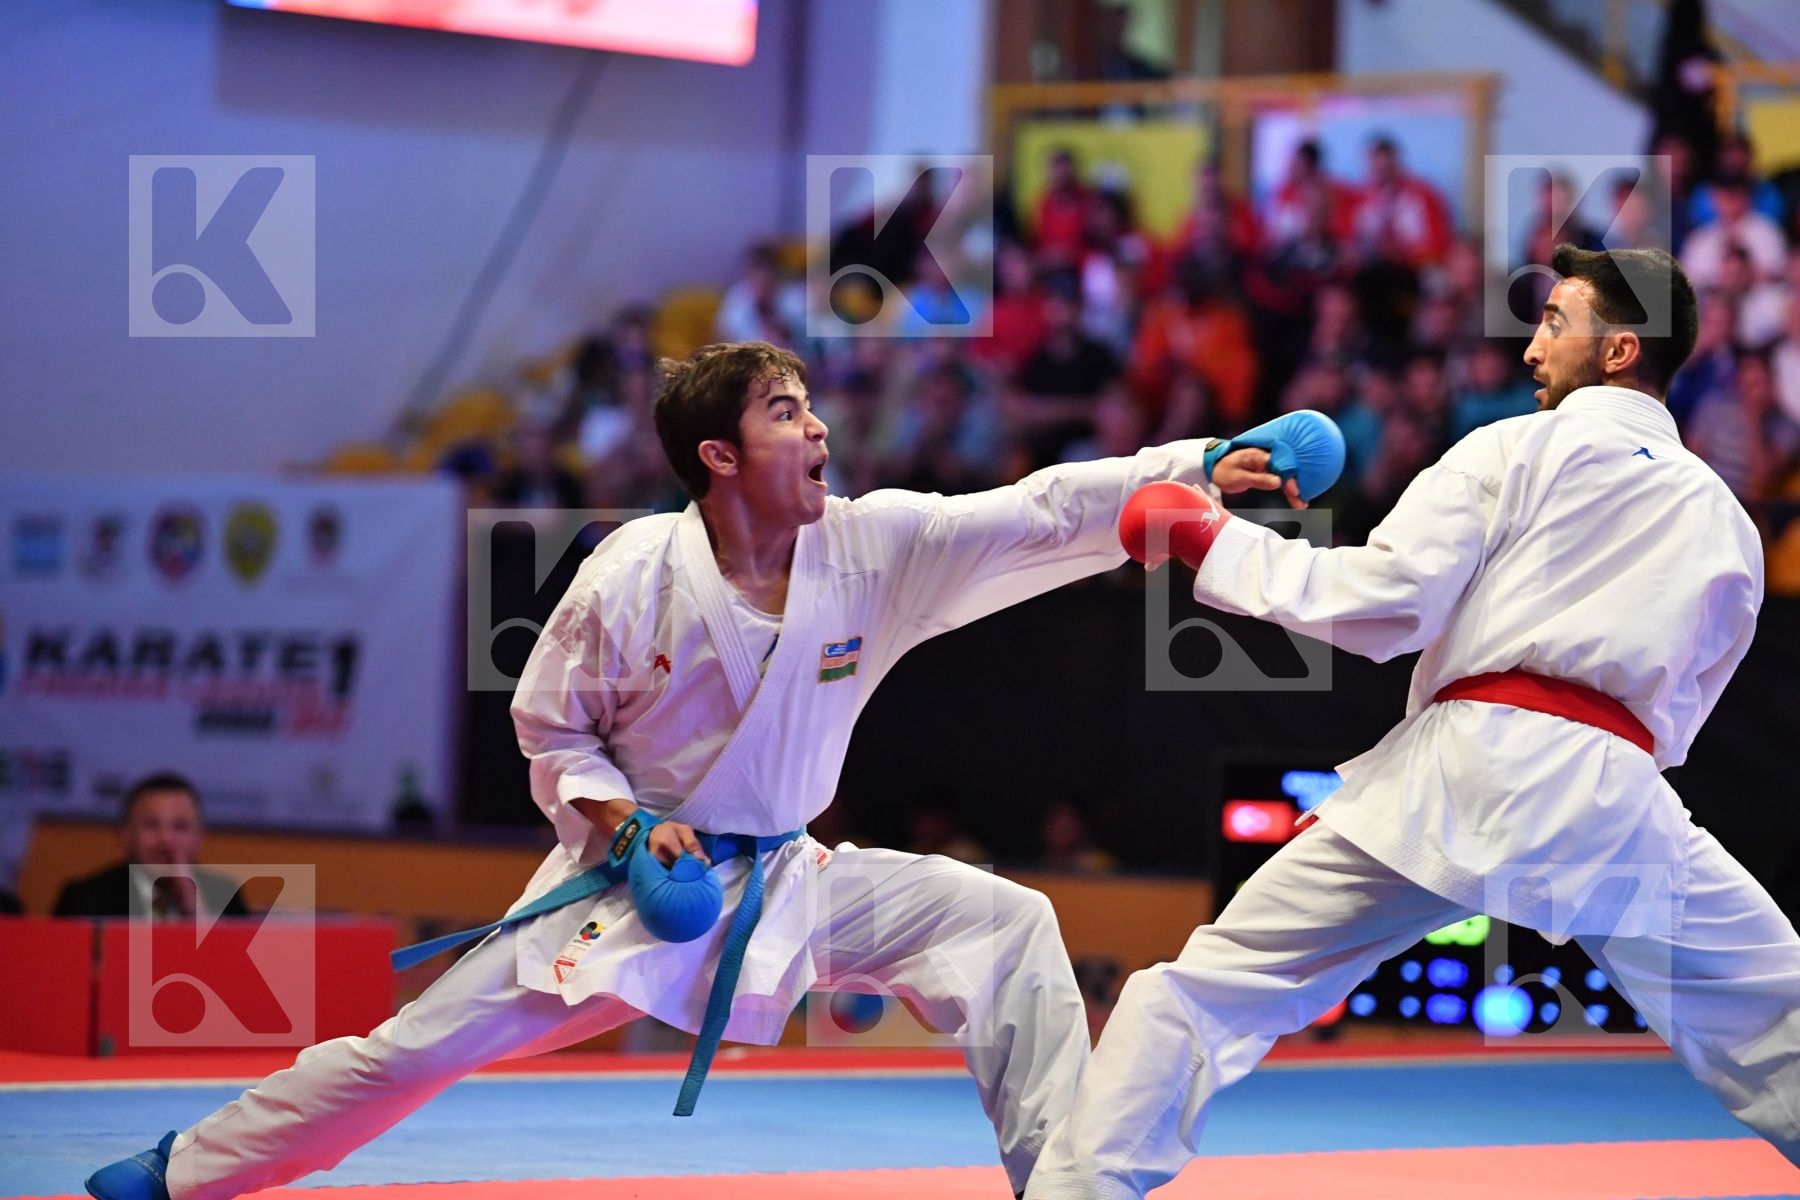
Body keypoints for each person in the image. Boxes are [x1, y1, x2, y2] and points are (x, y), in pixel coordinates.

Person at [87, 340, 1302, 1200]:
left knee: (1006, 924)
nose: (818, 429)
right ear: (719, 454)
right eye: (786, 413)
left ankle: (1073, 1192)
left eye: (812, 408)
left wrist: (1203, 465)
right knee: (416, 1051)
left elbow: (1039, 509)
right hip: (635, 894)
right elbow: (551, 733)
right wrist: (625, 827)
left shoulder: (871, 549)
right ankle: (188, 1169)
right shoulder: (631, 575)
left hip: (790, 879)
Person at [1028, 245, 1798, 1198]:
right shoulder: (1729, 522)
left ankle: (1080, 1188)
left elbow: (1386, 605)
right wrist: (1597, 770)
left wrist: (1210, 540)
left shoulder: (1515, 450)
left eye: (1556, 323)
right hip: (1615, 795)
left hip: (1464, 768)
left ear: (1619, 350)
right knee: (1778, 1016)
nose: (1532, 349)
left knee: (1213, 987)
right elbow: (1689, 702)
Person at [54, 773, 249, 920]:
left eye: (179, 826)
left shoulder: (224, 895)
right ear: (125, 834)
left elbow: (235, 962)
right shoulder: (84, 899)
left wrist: (193, 910)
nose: (165, 839)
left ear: (200, 837)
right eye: (151, 825)